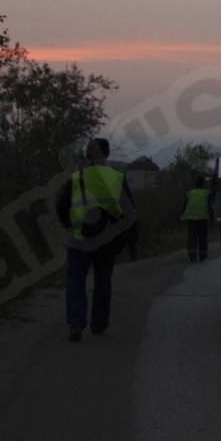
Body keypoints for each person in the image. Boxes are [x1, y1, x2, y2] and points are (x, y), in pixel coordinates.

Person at [56, 137, 138, 342]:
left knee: (76, 281)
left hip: (79, 238)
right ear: (107, 154)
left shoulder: (77, 177)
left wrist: (69, 224)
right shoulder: (117, 177)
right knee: (103, 282)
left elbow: (62, 205)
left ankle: (76, 323)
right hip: (107, 239)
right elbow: (130, 213)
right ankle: (99, 324)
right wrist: (131, 240)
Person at [180, 175, 214, 263]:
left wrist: (182, 214)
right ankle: (202, 257)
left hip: (191, 219)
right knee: (202, 238)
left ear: (195, 184)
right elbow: (210, 207)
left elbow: (184, 206)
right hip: (203, 219)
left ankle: (192, 257)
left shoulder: (190, 193)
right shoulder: (207, 193)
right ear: (203, 184)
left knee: (192, 238)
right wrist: (212, 218)